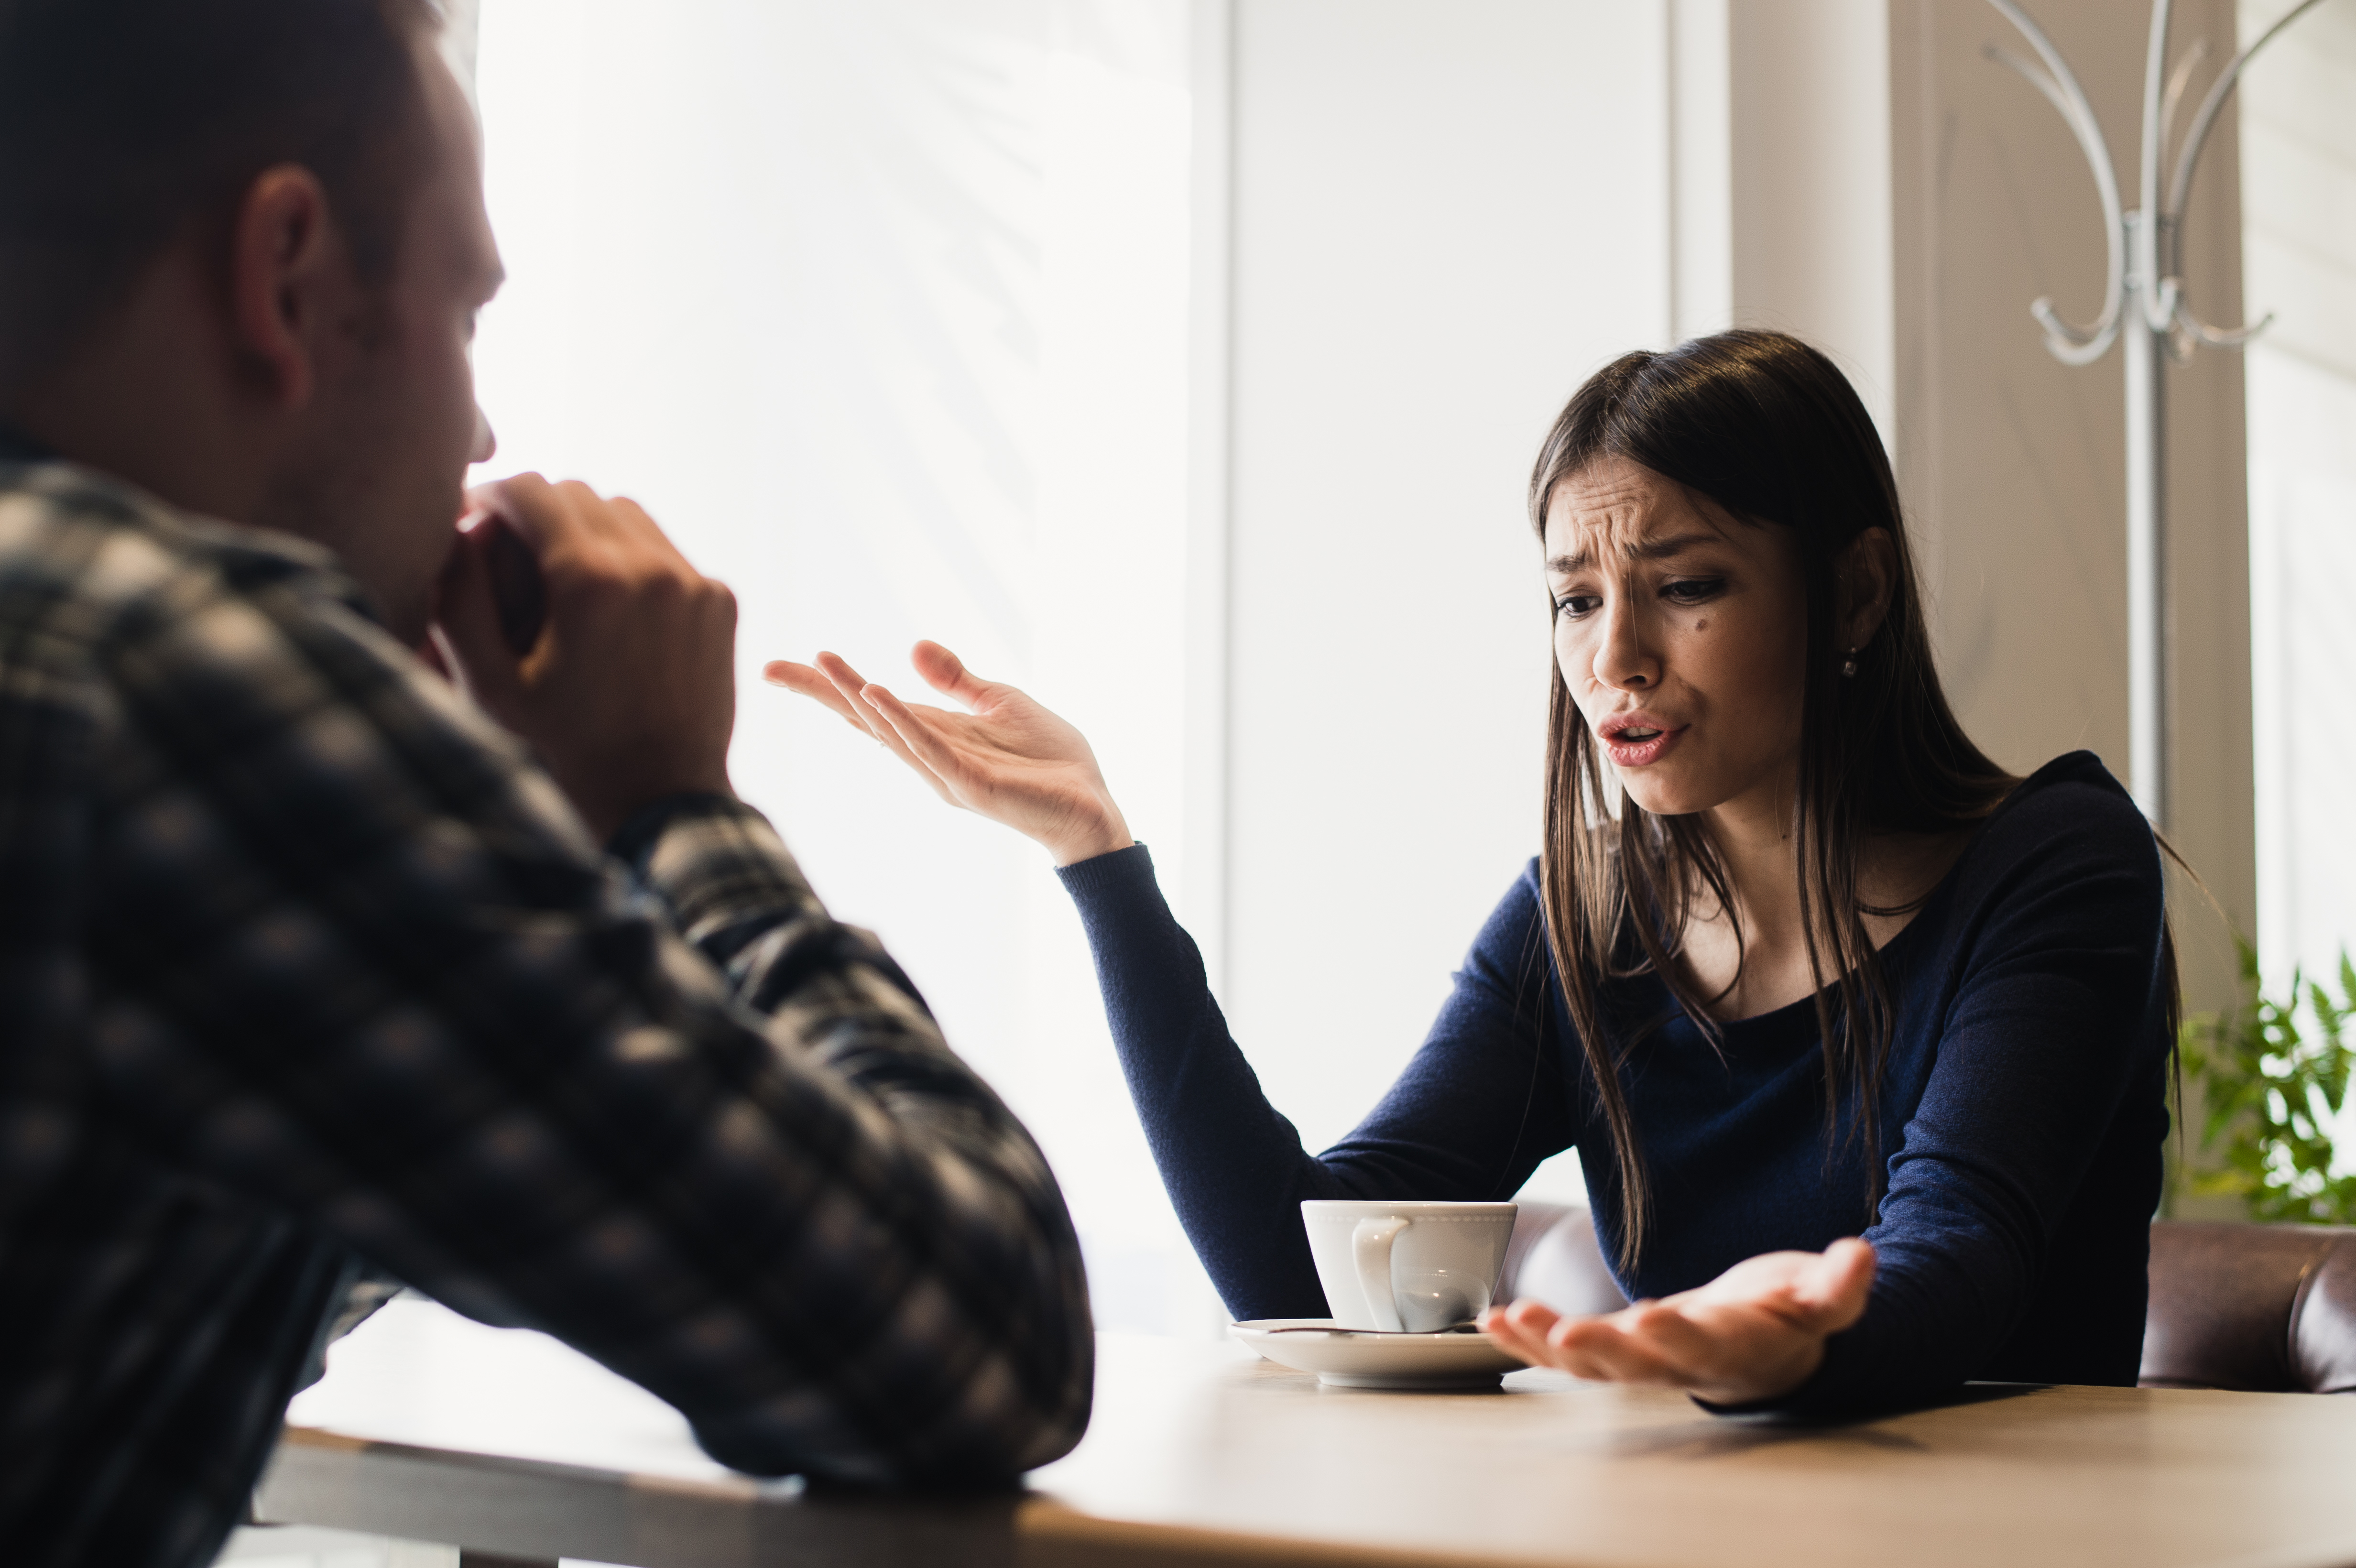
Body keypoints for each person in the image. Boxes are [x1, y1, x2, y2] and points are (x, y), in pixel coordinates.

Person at [0, 3, 1091, 1564]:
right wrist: (670, 811)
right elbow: (984, 1333)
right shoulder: (174, 675)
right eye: (467, 312)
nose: (485, 426)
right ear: (287, 274)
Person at [769, 328, 2176, 1416]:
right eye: (1575, 597)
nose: (1613, 658)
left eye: (1685, 585)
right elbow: (1300, 1261)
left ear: (1854, 593)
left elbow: (1961, 1256)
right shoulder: (1584, 920)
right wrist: (1100, 859)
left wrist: (1792, 1335)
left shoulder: (2055, 869)